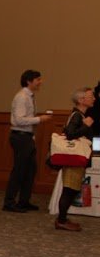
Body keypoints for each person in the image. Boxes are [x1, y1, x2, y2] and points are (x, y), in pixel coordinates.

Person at [3, 69, 52, 213]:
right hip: (20, 137)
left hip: (27, 137)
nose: (40, 82)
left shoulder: (29, 96)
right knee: (19, 170)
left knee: (30, 170)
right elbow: (19, 120)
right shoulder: (22, 97)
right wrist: (39, 119)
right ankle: (9, 202)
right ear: (29, 81)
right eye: (38, 79)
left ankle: (24, 201)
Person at [54, 86, 95, 231]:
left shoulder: (80, 115)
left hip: (76, 159)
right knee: (69, 190)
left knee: (72, 189)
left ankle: (63, 218)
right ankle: (61, 220)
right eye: (91, 96)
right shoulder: (78, 116)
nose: (94, 98)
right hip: (73, 160)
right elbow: (70, 134)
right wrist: (86, 126)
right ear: (81, 100)